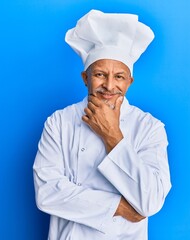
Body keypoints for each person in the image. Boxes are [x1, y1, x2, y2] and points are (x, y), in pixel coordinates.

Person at [33, 9, 171, 239]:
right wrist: (117, 206)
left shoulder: (150, 127)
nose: (109, 85)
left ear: (129, 82)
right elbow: (46, 192)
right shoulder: (59, 122)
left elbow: (151, 201)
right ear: (85, 78)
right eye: (99, 74)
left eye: (118, 76)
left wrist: (113, 136)